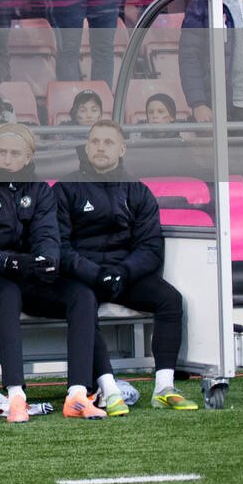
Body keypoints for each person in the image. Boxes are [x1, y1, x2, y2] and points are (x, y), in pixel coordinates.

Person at [0, 122, 106, 421]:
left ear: (28, 156)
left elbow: (48, 235)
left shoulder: (40, 190)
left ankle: (77, 394)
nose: (7, 159)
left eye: (14, 153)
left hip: (26, 273)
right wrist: (10, 261)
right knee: (7, 294)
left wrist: (47, 261)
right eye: (2, 152)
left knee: (82, 296)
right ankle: (16, 395)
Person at [58, 120, 202, 412]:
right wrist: (95, 273)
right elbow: (59, 247)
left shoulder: (138, 192)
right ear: (86, 147)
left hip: (122, 275)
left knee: (170, 299)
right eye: (95, 141)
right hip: (84, 277)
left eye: (108, 142)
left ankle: (164, 386)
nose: (101, 148)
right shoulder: (65, 188)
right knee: (83, 303)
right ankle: (109, 389)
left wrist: (122, 272)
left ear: (122, 149)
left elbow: (150, 248)